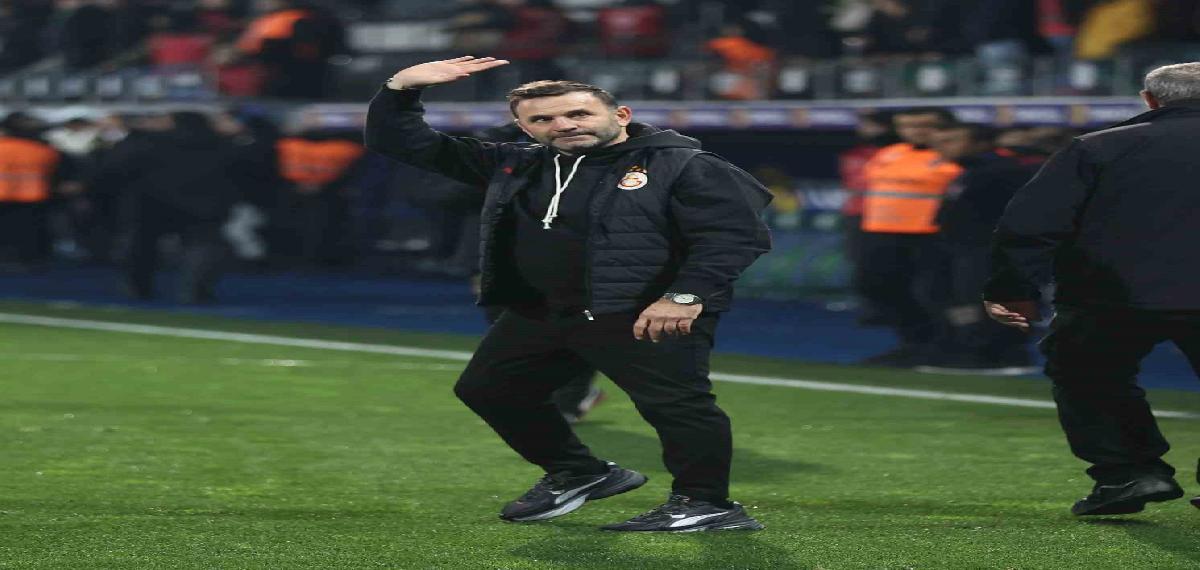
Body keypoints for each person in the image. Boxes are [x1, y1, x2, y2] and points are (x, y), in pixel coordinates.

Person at [365, 56, 772, 532]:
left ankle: (706, 503)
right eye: (542, 119)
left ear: (620, 115)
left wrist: (684, 297)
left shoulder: (683, 164)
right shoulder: (518, 163)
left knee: (676, 406)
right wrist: (401, 88)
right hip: (543, 310)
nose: (562, 125)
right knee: (489, 389)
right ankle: (578, 472)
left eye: (578, 113)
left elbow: (734, 237)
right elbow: (401, 142)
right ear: (525, 128)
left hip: (639, 311)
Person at [984, 62, 1200, 516]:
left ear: (1150, 100)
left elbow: (1030, 224)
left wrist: (1013, 289)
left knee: (1090, 377)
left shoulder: (1097, 147)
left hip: (1110, 294)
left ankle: (1129, 474)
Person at [922, 122, 1035, 372]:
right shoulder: (971, 170)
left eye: (951, 140)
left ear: (981, 143)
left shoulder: (1003, 171)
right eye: (939, 141)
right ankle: (970, 348)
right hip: (961, 247)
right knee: (958, 298)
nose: (941, 146)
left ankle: (998, 353)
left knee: (982, 300)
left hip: (986, 248)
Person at [857, 107, 962, 366]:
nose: (915, 131)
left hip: (931, 236)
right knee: (875, 286)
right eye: (906, 126)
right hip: (881, 232)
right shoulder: (889, 153)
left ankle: (943, 346)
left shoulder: (954, 156)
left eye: (924, 125)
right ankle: (914, 341)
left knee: (933, 294)